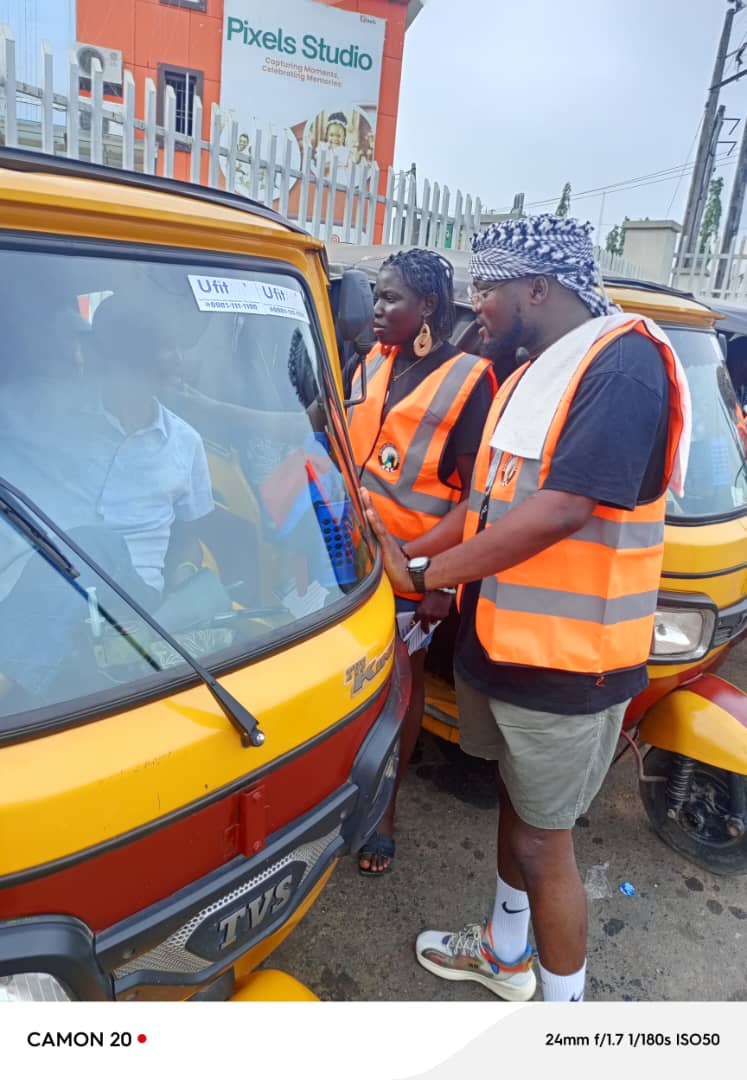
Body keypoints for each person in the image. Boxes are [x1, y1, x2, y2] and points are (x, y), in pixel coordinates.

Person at [361, 215, 689, 1000]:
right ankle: (505, 955)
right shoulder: (527, 376)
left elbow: (563, 509)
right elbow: (485, 506)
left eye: (487, 288)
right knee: (519, 812)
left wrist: (423, 570)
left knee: (546, 847)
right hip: (506, 649)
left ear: (537, 288)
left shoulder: (622, 365)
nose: (474, 305)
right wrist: (425, 574)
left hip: (568, 665)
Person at [347, 249, 497, 875]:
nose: (377, 309)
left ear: (428, 306)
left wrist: (440, 581)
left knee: (400, 689)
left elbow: (478, 502)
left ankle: (384, 812)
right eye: (375, 297)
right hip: (347, 556)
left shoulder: (468, 381)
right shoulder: (371, 361)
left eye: (391, 298)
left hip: (413, 571)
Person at [0, 295, 214, 702]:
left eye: (174, 350)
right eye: (162, 350)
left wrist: (184, 574)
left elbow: (190, 536)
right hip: (25, 587)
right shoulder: (35, 409)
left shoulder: (186, 444)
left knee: (88, 546)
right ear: (113, 359)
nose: (176, 362)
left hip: (127, 598)